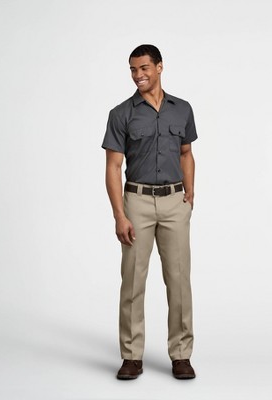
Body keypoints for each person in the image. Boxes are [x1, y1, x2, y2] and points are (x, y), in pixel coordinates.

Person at [101, 44, 198, 380]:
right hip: (137, 203)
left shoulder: (182, 109)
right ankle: (131, 356)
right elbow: (113, 167)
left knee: (179, 280)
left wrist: (190, 192)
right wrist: (119, 215)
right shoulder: (121, 114)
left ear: (159, 67)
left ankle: (181, 355)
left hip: (174, 203)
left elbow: (186, 153)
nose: (137, 75)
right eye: (133, 69)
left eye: (143, 68)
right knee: (132, 282)